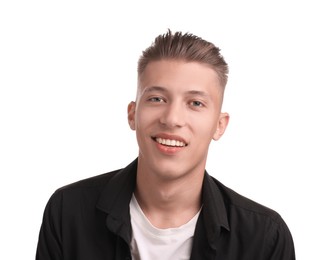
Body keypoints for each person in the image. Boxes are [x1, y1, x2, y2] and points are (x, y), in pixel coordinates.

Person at [36, 29, 296, 260]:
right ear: (132, 114)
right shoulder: (67, 212)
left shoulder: (264, 237)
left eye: (195, 103)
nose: (172, 119)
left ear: (219, 125)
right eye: (157, 99)